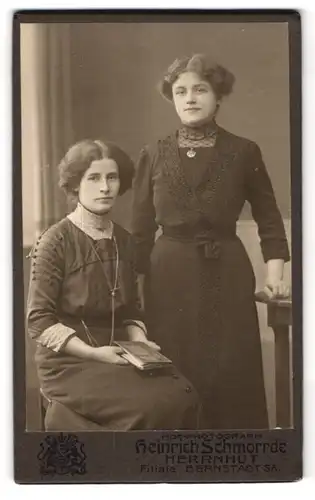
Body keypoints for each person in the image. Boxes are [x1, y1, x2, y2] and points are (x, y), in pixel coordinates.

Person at [131, 54, 291, 429]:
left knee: (231, 368)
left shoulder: (244, 151)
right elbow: (139, 230)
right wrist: (135, 288)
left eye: (200, 89)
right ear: (172, 98)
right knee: (174, 366)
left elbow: (269, 219)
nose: (190, 98)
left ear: (218, 97)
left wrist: (276, 273)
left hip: (228, 272)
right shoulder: (153, 154)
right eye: (180, 90)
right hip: (168, 276)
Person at [27, 139, 202, 431]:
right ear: (75, 185)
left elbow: (130, 309)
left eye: (112, 177)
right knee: (149, 407)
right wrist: (95, 353)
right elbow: (39, 321)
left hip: (119, 354)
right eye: (93, 178)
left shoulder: (125, 241)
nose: (105, 187)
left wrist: (140, 342)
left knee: (183, 395)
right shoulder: (54, 241)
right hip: (70, 365)